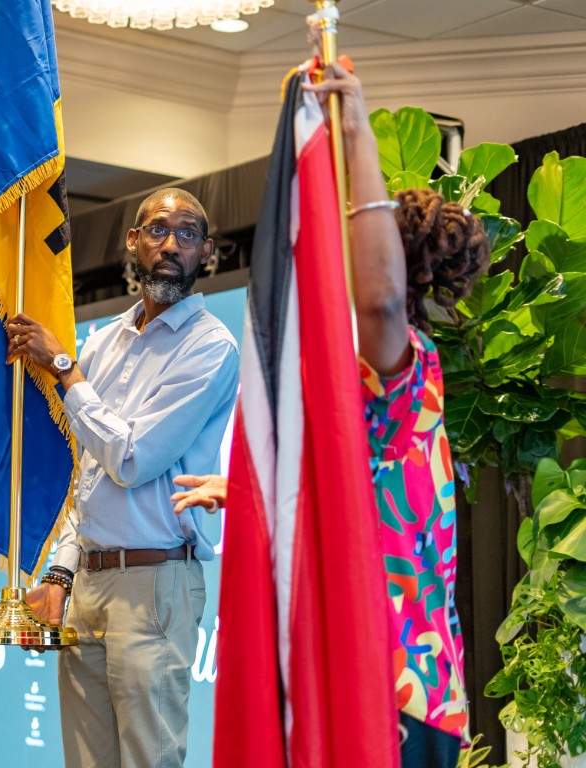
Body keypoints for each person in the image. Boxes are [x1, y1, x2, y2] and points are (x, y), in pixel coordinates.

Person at [173, 63, 490, 767]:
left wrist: (354, 133)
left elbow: (378, 298)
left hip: (393, 678)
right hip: (366, 669)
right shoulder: (361, 379)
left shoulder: (399, 363)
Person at [7, 187, 240, 768]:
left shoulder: (212, 347)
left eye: (188, 234)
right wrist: (61, 571)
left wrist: (64, 368)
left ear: (207, 250)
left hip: (154, 585)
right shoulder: (105, 341)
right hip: (88, 581)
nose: (171, 245)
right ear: (134, 241)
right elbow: (87, 474)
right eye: (158, 230)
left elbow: (131, 460)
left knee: (147, 760)